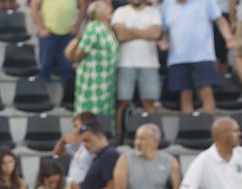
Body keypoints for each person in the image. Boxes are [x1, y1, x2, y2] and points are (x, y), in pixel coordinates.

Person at [163, 0, 233, 115]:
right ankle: (188, 124)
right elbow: (164, 29)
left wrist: (228, 37)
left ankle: (209, 123)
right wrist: (164, 41)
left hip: (203, 56)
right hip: (177, 58)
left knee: (206, 91)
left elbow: (220, 20)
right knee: (185, 94)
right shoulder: (167, 4)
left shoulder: (206, 2)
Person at [112, 0, 162, 132]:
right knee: (123, 103)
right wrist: (145, 32)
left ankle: (154, 136)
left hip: (149, 64)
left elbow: (155, 34)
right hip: (125, 63)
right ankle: (119, 137)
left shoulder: (154, 12)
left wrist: (131, 29)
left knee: (149, 103)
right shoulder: (120, 12)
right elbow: (121, 35)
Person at [70, 2, 118, 122]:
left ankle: (103, 132)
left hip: (107, 78)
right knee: (90, 111)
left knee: (105, 110)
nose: (110, 9)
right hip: (92, 78)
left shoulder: (110, 29)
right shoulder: (93, 27)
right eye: (105, 8)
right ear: (96, 12)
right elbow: (80, 53)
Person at [33, 0, 78, 85]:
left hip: (68, 35)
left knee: (67, 69)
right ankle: (42, 91)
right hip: (49, 35)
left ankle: (66, 93)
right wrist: (41, 28)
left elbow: (83, 6)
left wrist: (77, 25)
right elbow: (34, 8)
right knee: (45, 66)